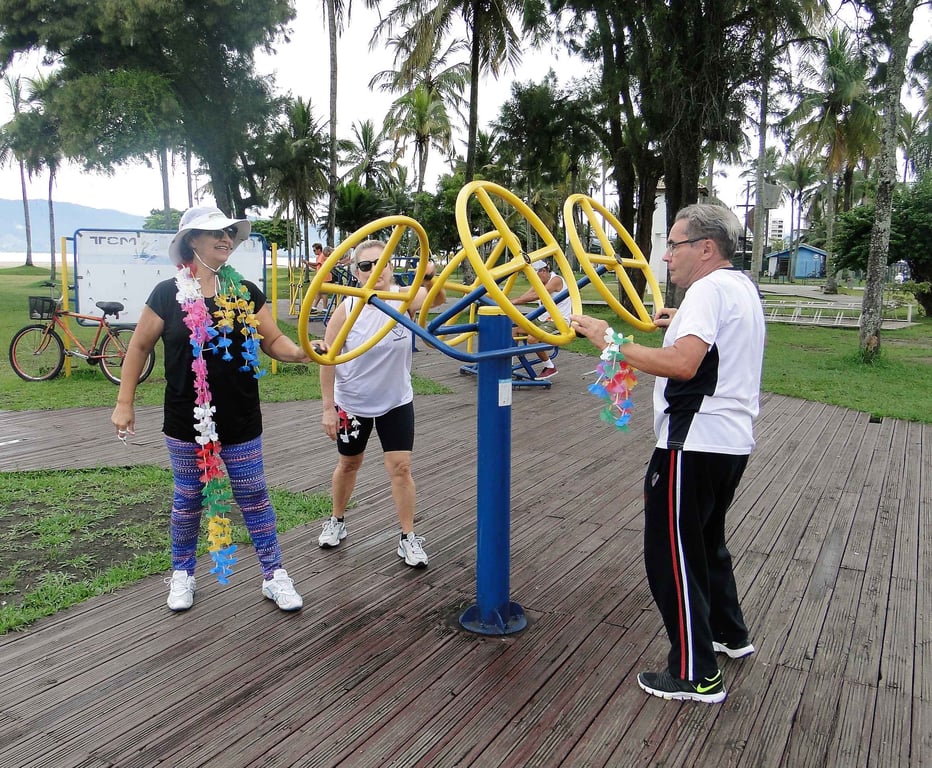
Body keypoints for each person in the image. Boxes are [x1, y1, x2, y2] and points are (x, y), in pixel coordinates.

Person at [571, 203, 765, 704]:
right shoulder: (740, 287)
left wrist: (608, 340)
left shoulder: (704, 292)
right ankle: (728, 635)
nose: (664, 258)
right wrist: (679, 321)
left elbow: (683, 365)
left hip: (691, 441)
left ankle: (695, 674)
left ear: (705, 248)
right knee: (703, 542)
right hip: (729, 442)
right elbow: (716, 342)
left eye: (674, 245)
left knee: (670, 554)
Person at [111, 205, 310, 613]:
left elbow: (273, 341)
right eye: (215, 232)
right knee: (188, 499)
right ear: (191, 242)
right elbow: (139, 347)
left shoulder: (246, 292)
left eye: (229, 233)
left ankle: (274, 575)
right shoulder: (167, 294)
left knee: (253, 494)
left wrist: (303, 352)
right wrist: (124, 402)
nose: (226, 238)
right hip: (187, 419)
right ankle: (183, 573)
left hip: (240, 417)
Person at [317, 240, 446, 567]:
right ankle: (337, 520)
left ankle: (407, 537)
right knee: (349, 464)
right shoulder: (346, 309)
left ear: (391, 266)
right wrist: (328, 407)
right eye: (365, 266)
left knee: (401, 468)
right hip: (353, 403)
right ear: (355, 273)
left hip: (395, 401)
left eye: (382, 263)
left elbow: (438, 299)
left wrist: (430, 277)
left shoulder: (405, 297)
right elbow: (327, 358)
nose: (375, 270)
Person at [512, 260, 570, 379]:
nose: (534, 280)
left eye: (535, 276)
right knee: (515, 328)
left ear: (543, 271)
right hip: (543, 319)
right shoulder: (540, 282)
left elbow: (536, 295)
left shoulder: (556, 280)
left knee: (532, 339)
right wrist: (507, 302)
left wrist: (514, 302)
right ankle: (509, 362)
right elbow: (524, 296)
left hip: (559, 321)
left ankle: (549, 367)